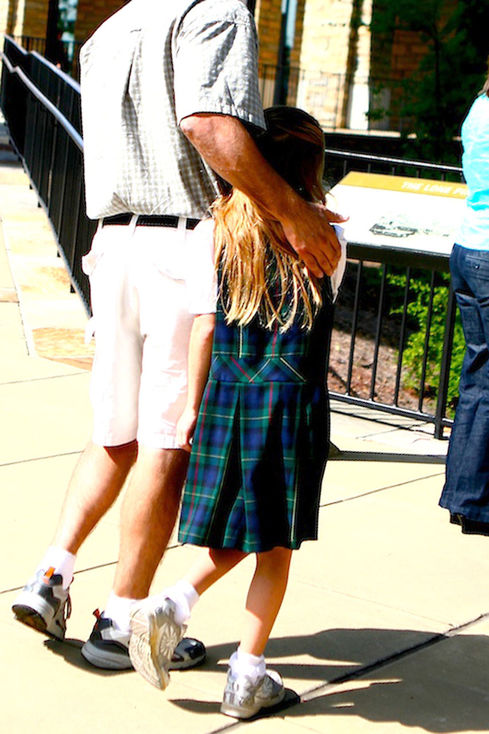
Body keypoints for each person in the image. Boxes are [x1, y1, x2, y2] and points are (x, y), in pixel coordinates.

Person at [11, 0, 343, 672]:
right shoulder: (214, 11)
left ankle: (52, 572)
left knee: (113, 429)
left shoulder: (109, 30)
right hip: (184, 243)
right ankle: (121, 620)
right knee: (167, 440)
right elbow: (205, 124)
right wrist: (290, 214)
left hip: (112, 239)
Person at [126, 106, 347, 719]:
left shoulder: (214, 231)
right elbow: (325, 302)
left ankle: (172, 602)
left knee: (241, 526)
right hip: (292, 399)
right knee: (275, 544)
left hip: (227, 392)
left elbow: (204, 328)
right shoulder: (328, 235)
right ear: (311, 165)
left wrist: (193, 406)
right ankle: (246, 673)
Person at [439, 71, 489, 534]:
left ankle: (464, 494)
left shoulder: (479, 109)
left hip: (469, 247)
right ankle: (473, 499)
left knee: (478, 375)